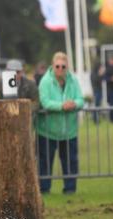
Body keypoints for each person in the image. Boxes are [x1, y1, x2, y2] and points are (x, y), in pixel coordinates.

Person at [37, 52, 84, 194]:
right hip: (47, 131)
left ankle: (70, 189)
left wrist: (74, 104)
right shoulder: (45, 81)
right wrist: (62, 106)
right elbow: (45, 102)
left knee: (70, 162)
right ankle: (44, 190)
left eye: (63, 66)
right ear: (53, 65)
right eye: (57, 66)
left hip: (69, 131)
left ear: (67, 67)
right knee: (45, 163)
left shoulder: (73, 80)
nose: (60, 69)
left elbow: (81, 99)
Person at [104, 55, 113, 123]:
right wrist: (112, 78)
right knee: (112, 104)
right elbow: (105, 78)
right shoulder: (108, 69)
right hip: (111, 89)